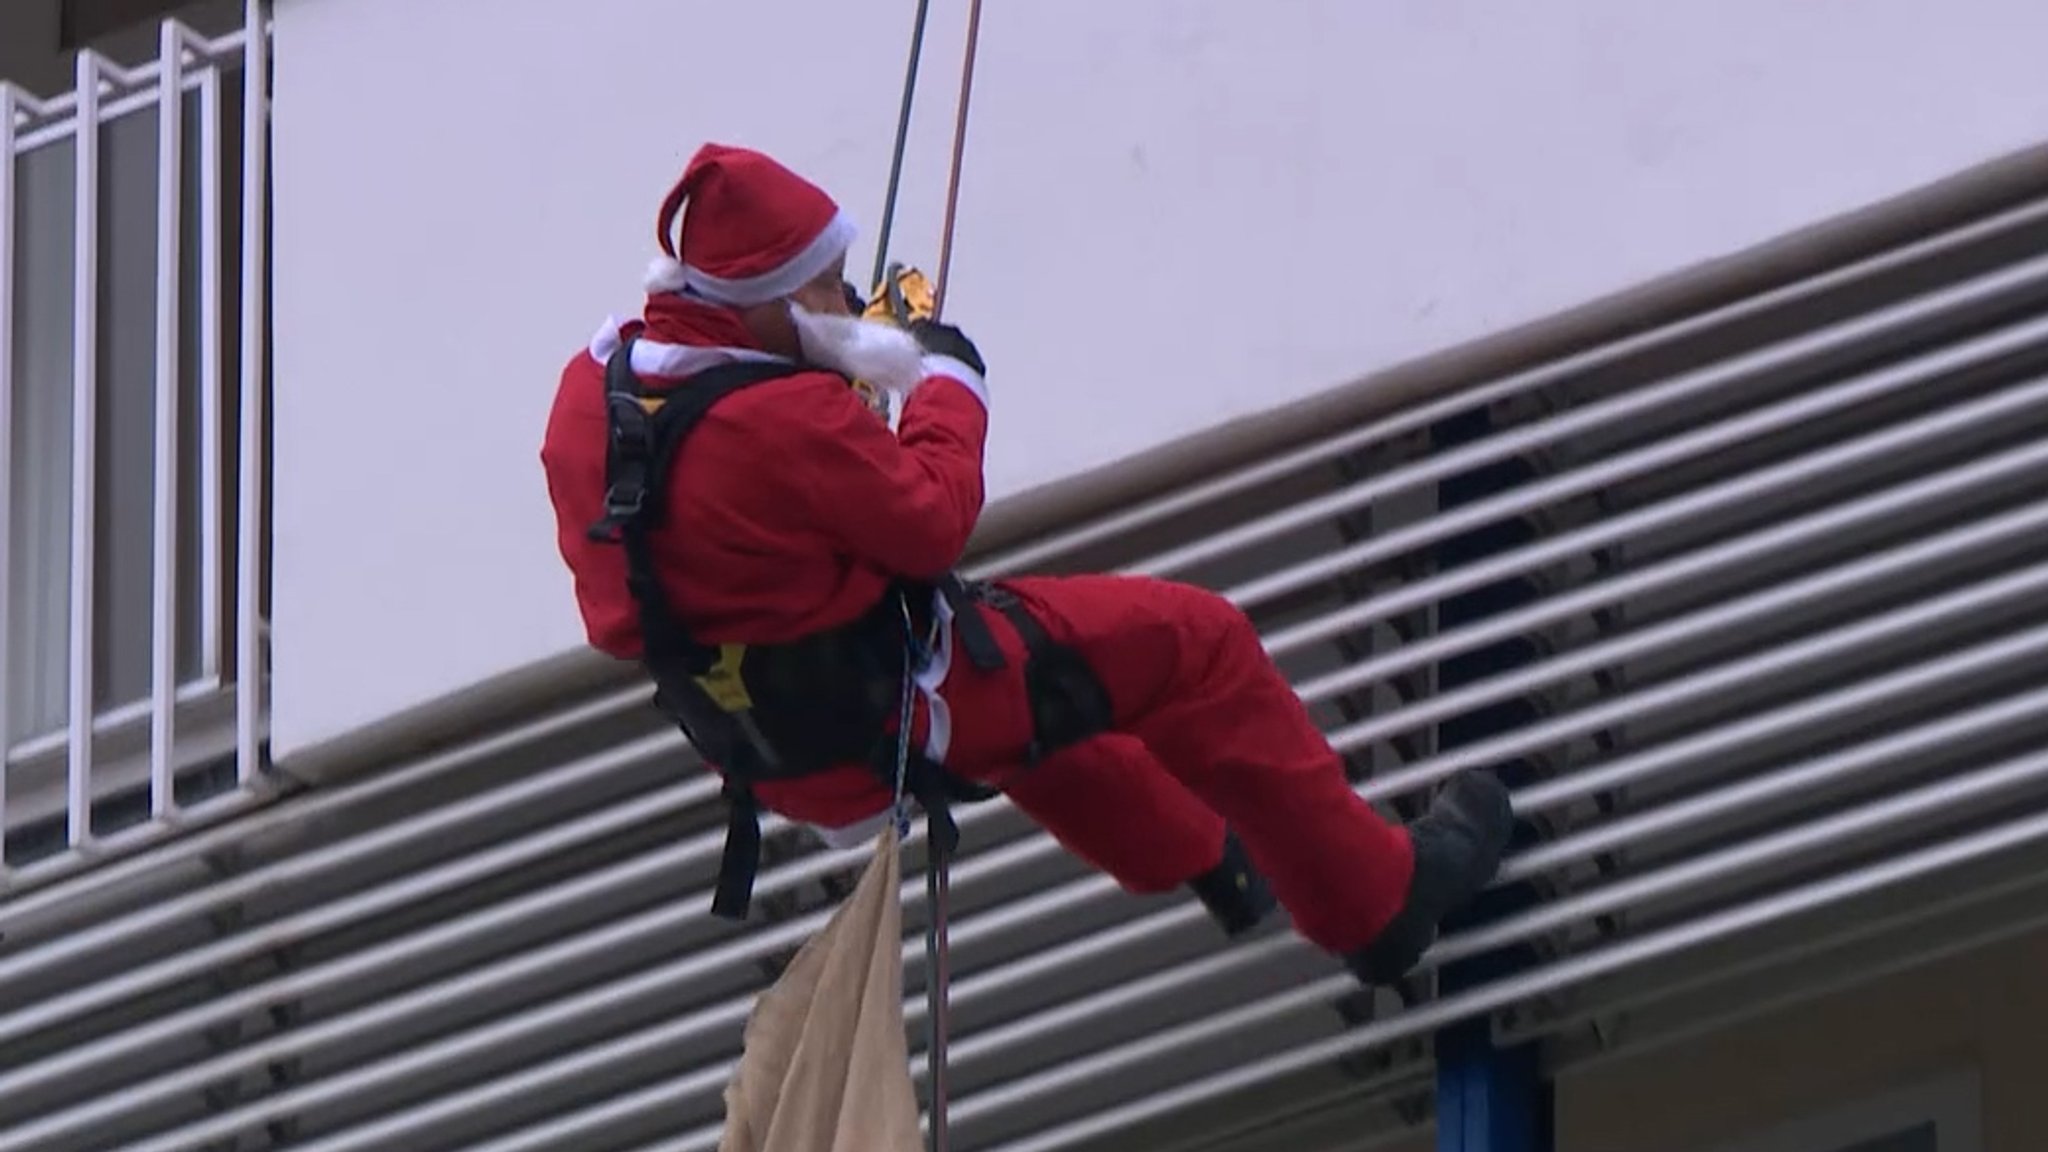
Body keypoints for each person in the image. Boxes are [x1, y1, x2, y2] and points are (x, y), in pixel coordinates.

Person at [539, 142, 1514, 988]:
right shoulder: (783, 420)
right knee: (1193, 646)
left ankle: (1207, 859)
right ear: (783, 296)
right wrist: (944, 379)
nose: (844, 300)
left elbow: (663, 565)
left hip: (763, 741)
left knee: (1048, 700)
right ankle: (1377, 907)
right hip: (887, 715)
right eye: (831, 286)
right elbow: (929, 525)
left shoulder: (594, 396)